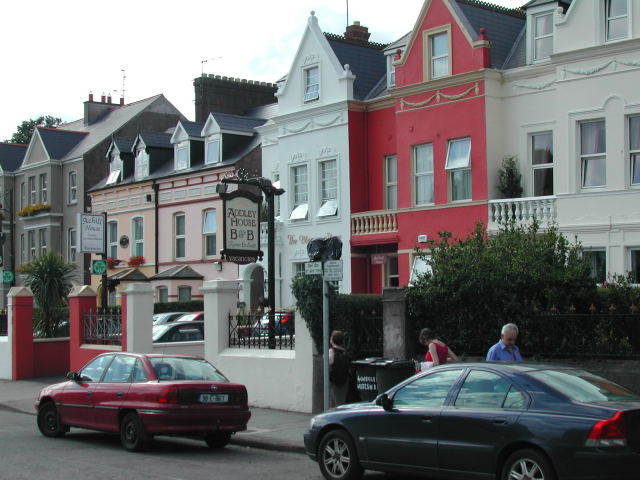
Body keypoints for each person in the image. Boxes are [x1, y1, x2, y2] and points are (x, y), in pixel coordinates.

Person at [328, 330, 350, 407]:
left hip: (334, 380)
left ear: (332, 340)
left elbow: (329, 362)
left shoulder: (331, 351)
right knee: (342, 400)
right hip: (344, 379)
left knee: (335, 402)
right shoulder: (345, 352)